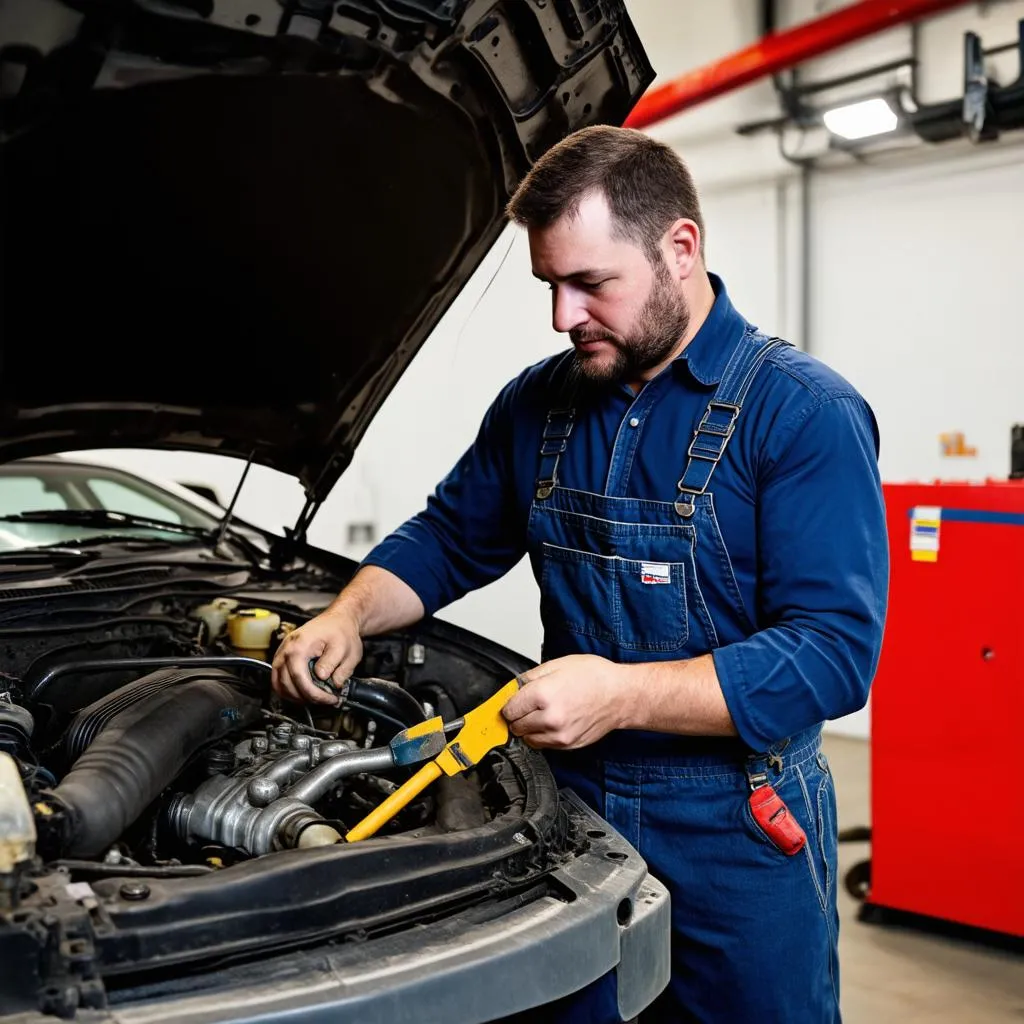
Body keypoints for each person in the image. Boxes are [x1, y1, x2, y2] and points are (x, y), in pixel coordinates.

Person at [271, 125, 889, 1023]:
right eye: (549, 286)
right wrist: (349, 616)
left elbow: (831, 656)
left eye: (591, 284)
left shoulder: (802, 415)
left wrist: (623, 695)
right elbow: (449, 537)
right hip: (569, 810)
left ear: (680, 249)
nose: (563, 316)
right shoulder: (541, 400)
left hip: (738, 824)